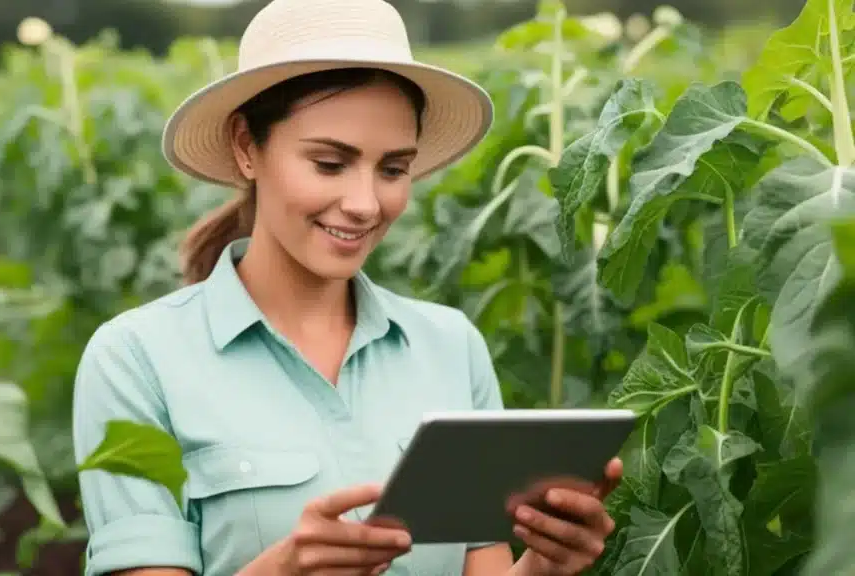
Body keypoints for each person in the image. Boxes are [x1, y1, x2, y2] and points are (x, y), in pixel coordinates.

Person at [72, 0, 622, 574]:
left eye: (392, 170)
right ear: (245, 146)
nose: (364, 205)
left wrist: (543, 565)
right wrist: (284, 568)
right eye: (330, 164)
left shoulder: (451, 347)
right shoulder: (136, 361)